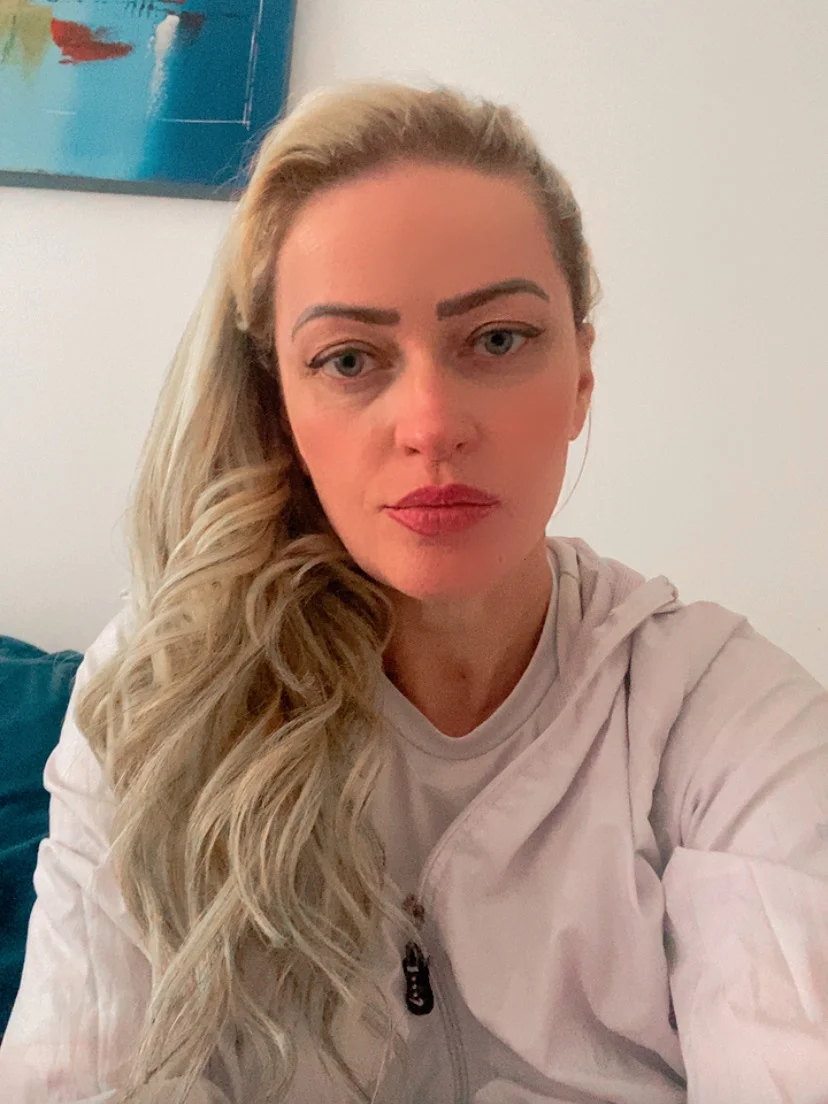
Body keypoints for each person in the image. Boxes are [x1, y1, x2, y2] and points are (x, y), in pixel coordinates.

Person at [1, 79, 826, 1104]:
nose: (431, 424)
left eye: (498, 340)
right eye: (349, 358)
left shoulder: (716, 713)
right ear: (280, 405)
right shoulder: (160, 698)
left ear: (580, 376)